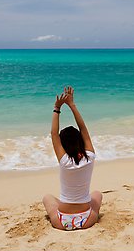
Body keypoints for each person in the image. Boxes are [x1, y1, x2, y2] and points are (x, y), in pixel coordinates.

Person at [42, 86, 102, 230]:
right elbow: (83, 129)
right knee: (97, 194)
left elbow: (54, 133)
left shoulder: (64, 161)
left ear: (63, 144)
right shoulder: (90, 157)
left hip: (62, 221)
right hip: (86, 219)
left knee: (48, 198)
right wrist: (72, 105)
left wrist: (57, 108)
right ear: (80, 140)